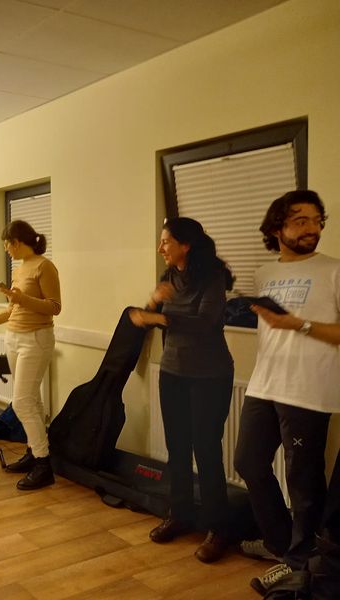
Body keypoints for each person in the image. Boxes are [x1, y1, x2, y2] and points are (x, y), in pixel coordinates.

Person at [232, 190, 340, 595]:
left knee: (304, 481)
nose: (312, 228)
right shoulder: (264, 273)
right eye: (300, 220)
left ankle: (301, 565)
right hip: (265, 384)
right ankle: (282, 545)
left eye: (316, 220)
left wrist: (300, 324)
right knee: (248, 462)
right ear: (277, 228)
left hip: (309, 391)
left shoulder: (334, 270)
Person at [128, 218, 235, 563]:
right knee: (177, 448)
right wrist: (152, 302)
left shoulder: (213, 278)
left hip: (210, 375)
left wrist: (159, 318)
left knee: (206, 449)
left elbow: (205, 322)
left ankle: (218, 528)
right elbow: (149, 317)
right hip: (172, 372)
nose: (160, 248)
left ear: (185, 245)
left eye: (166, 242)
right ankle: (181, 514)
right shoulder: (169, 277)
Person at [0, 220, 61, 490]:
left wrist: (22, 299)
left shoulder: (45, 266)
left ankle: (43, 464)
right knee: (32, 400)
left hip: (36, 339)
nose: (6, 250)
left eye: (7, 244)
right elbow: (13, 310)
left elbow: (54, 307)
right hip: (15, 338)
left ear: (17, 242)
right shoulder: (19, 270)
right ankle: (34, 453)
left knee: (21, 403)